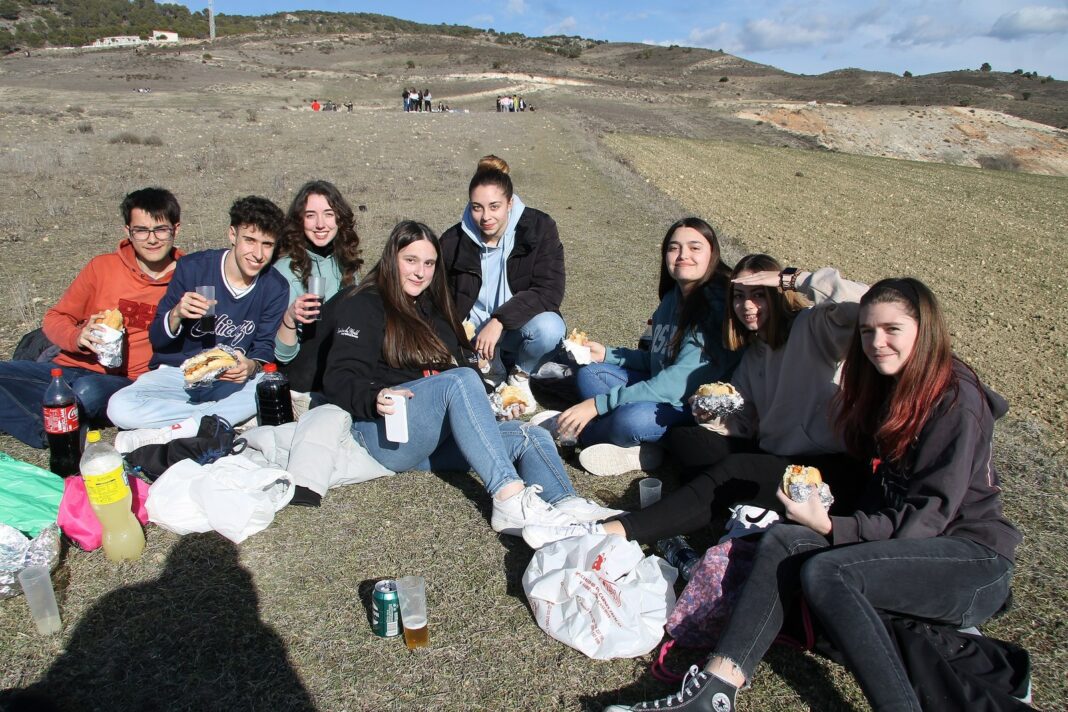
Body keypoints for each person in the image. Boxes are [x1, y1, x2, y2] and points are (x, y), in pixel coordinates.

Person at [599, 277, 1021, 712]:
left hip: (969, 556)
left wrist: (832, 527)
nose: (877, 342)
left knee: (827, 577)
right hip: (910, 544)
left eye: (892, 329)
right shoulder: (886, 382)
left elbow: (926, 517)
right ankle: (713, 692)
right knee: (782, 545)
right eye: (868, 331)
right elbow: (882, 491)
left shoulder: (954, 402)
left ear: (924, 329)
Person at [523, 255, 868, 545]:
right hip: (772, 453)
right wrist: (710, 415)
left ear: (778, 293)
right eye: (740, 296)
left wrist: (795, 279)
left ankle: (609, 532)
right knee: (687, 437)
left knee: (727, 469)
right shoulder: (751, 357)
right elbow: (744, 421)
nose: (747, 306)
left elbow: (869, 306)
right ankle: (741, 507)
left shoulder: (813, 328)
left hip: (820, 464)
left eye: (759, 295)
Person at [322, 220, 617, 535]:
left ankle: (568, 507)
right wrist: (372, 397)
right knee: (460, 381)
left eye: (429, 263)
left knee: (532, 435)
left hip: (436, 436)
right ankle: (508, 497)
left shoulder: (430, 307)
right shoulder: (365, 303)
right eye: (410, 260)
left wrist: (494, 403)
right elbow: (339, 375)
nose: (420, 272)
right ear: (391, 258)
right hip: (385, 432)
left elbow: (457, 365)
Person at [548, 218, 740, 478]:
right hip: (662, 391)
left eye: (695, 248)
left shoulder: (713, 306)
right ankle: (643, 449)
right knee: (591, 374)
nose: (683, 255)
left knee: (631, 418)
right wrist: (607, 353)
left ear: (712, 255)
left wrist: (597, 405)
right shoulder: (673, 297)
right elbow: (656, 361)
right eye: (674, 248)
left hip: (693, 407)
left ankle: (574, 431)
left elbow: (672, 385)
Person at [0, 188, 183, 447]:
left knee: (87, 391)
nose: (151, 239)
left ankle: (49, 425)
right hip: (68, 367)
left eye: (160, 229)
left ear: (176, 229)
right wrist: (78, 336)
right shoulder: (102, 267)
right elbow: (56, 317)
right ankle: (52, 423)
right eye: (141, 230)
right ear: (127, 231)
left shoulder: (188, 275)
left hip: (125, 382)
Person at [107, 196, 288, 441]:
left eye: (267, 244)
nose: (258, 254)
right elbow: (158, 340)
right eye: (250, 240)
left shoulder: (274, 286)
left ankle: (178, 428)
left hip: (228, 379)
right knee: (119, 406)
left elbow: (264, 346)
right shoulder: (193, 268)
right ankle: (210, 420)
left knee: (268, 387)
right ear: (232, 235)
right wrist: (177, 313)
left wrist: (250, 365)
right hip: (180, 374)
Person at [439, 155, 566, 410]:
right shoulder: (452, 240)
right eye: (477, 207)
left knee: (551, 327)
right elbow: (439, 297)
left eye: (494, 206)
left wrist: (499, 320)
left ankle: (521, 375)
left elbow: (549, 291)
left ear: (509, 203)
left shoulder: (539, 227)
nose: (486, 216)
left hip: (515, 327)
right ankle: (488, 369)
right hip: (473, 333)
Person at [273, 180, 362, 365]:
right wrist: (290, 317)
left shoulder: (346, 261)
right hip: (303, 366)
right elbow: (282, 356)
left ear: (339, 218)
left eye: (328, 214)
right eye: (311, 215)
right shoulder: (285, 270)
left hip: (344, 358)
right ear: (299, 220)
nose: (320, 224)